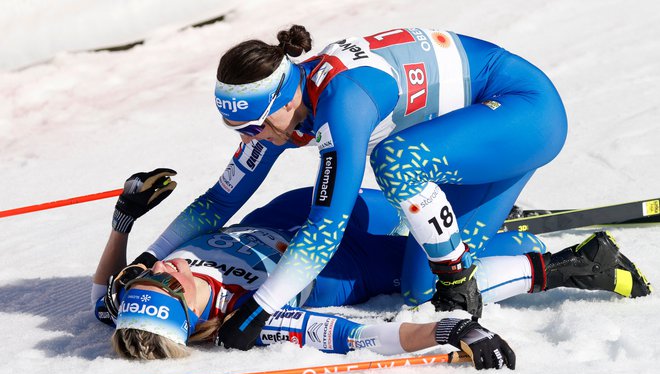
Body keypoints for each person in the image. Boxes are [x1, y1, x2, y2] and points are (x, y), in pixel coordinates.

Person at [135, 26, 653, 350]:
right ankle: (583, 263)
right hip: (472, 139)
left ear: (287, 98)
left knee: (395, 160)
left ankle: (453, 255)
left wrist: (260, 307)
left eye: (256, 127)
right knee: (417, 293)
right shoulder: (280, 112)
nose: (253, 140)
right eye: (239, 132)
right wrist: (148, 257)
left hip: (525, 111)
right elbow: (219, 201)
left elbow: (325, 228)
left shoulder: (343, 103)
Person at [93, 169, 651, 366]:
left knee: (422, 208)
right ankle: (574, 265)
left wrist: (124, 219)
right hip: (345, 262)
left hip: (291, 212)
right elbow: (352, 335)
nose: (165, 269)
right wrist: (447, 329)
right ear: (193, 317)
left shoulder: (130, 299)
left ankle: (468, 216)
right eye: (169, 284)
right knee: (429, 276)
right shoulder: (246, 323)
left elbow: (102, 294)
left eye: (149, 276)